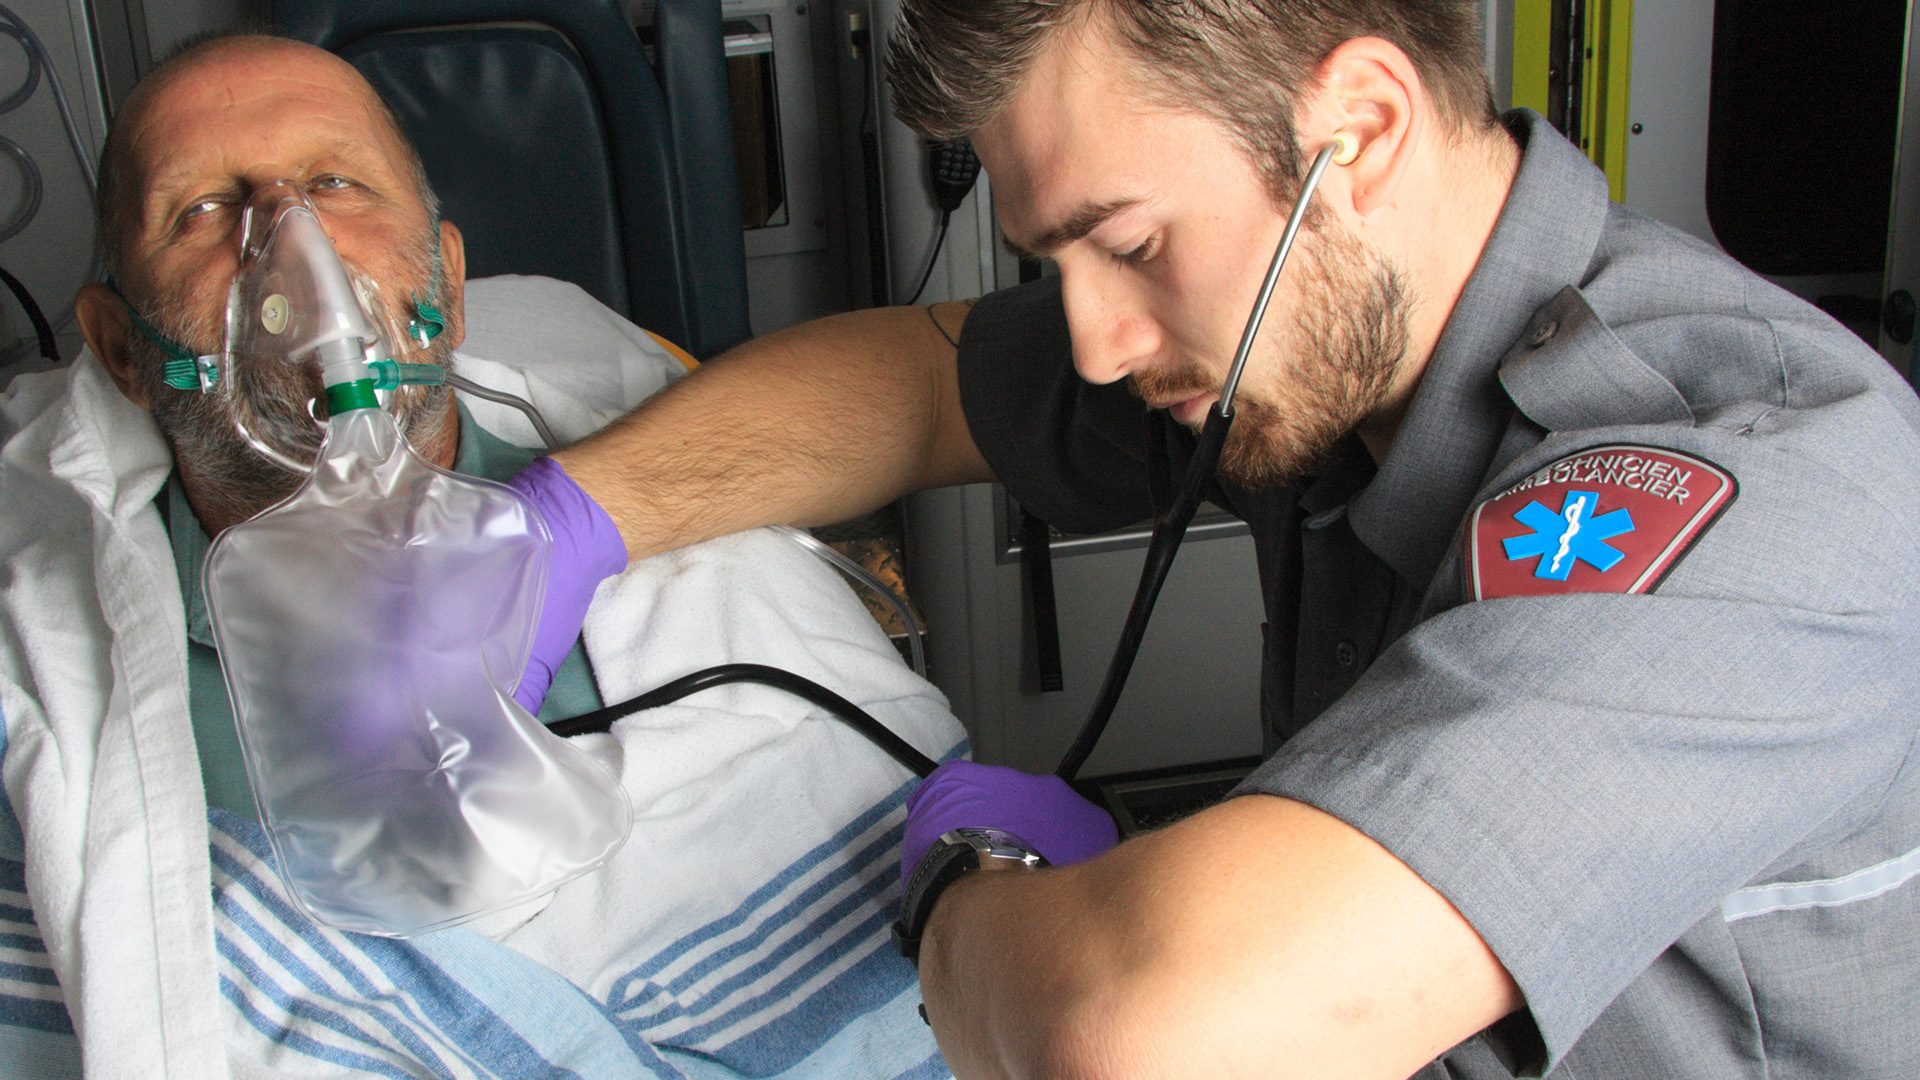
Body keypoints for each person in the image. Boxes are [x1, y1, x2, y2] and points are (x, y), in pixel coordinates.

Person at [515, 1, 1920, 1078]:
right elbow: (915, 378)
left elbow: (1149, 1038)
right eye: (1054, 264)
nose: (1096, 342)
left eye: (1124, 245)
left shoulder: (1759, 489)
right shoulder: (1311, 341)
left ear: (1357, 130)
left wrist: (957, 889)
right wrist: (558, 524)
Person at [0, 33, 958, 1078]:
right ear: (121, 348)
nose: (290, 240)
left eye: (334, 181)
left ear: (447, 289)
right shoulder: (51, 667)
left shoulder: (642, 489)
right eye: (203, 210)